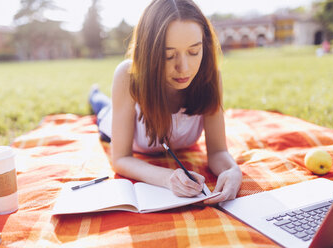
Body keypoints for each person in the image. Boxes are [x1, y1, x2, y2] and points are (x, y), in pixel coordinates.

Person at [89, 0, 242, 204]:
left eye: (194, 52)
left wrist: (232, 170)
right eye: (168, 55)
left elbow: (218, 151)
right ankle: (94, 94)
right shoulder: (128, 75)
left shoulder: (211, 77)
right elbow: (120, 159)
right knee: (101, 106)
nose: (184, 68)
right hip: (111, 121)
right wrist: (168, 178)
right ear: (147, 52)